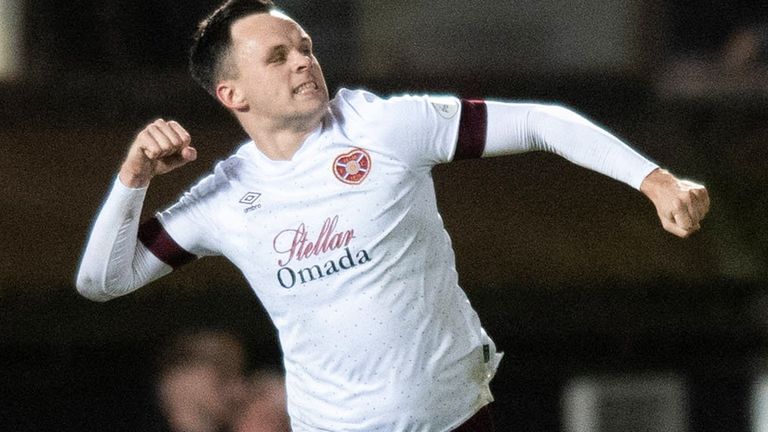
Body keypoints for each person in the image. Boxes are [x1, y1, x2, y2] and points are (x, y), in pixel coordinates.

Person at [75, 0, 710, 430]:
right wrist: (132, 178)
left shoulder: (384, 125)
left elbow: (541, 121)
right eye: (278, 57)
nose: (303, 60)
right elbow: (103, 280)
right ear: (231, 94)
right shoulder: (226, 197)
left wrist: (652, 180)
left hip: (456, 418)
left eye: (305, 46)